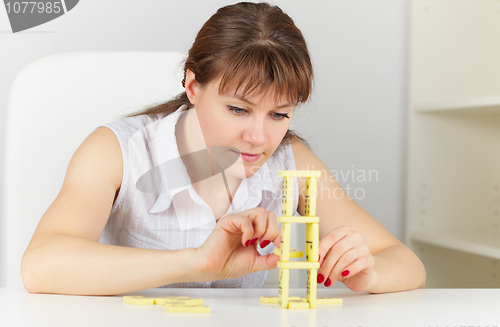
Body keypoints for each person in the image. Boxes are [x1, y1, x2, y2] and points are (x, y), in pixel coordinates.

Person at [21, 2, 426, 296]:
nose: (259, 137)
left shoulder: (290, 160)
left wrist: (366, 274)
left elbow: (404, 261)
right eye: (237, 109)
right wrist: (199, 260)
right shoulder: (116, 151)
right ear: (193, 86)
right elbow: (41, 265)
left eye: (279, 115)